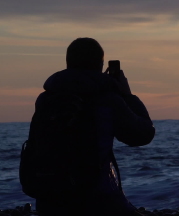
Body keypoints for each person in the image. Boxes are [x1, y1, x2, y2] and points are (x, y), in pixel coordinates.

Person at [21, 38, 155, 216]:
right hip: (98, 199)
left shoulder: (45, 99)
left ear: (68, 63)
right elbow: (143, 135)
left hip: (49, 198)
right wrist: (127, 95)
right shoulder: (107, 100)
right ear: (100, 65)